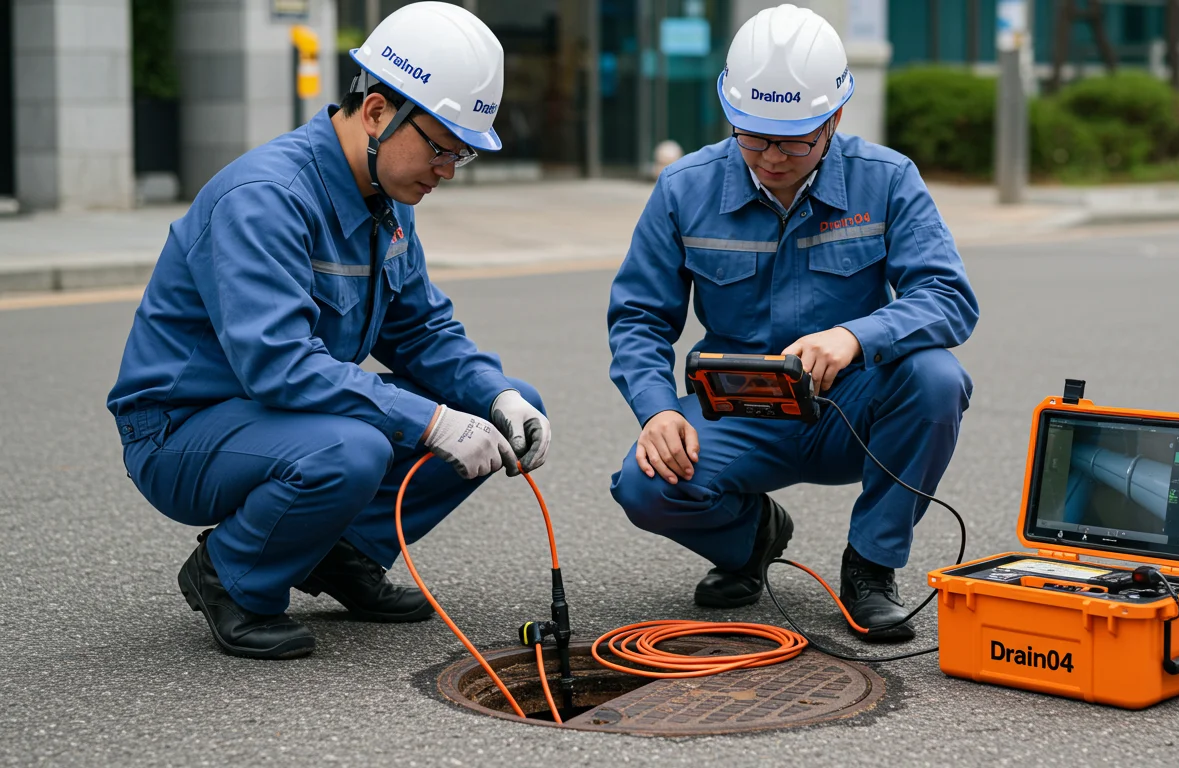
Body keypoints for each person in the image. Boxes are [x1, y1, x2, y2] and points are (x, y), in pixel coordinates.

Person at [107, 2, 550, 660]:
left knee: (502, 405)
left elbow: (422, 331)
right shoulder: (265, 199)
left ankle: (335, 554)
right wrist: (432, 423)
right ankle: (228, 576)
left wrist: (494, 397)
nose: (449, 170)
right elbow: (279, 365)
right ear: (376, 112)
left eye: (462, 154)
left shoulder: (388, 199)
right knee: (352, 447)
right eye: (440, 147)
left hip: (281, 417)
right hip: (180, 431)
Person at [606, 4, 978, 642]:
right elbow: (639, 318)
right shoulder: (683, 188)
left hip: (849, 411)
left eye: (793, 140)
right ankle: (752, 541)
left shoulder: (888, 181)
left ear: (834, 117)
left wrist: (856, 336)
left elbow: (947, 296)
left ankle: (870, 567)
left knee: (937, 379)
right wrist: (656, 410)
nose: (771, 157)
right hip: (738, 411)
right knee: (645, 485)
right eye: (752, 136)